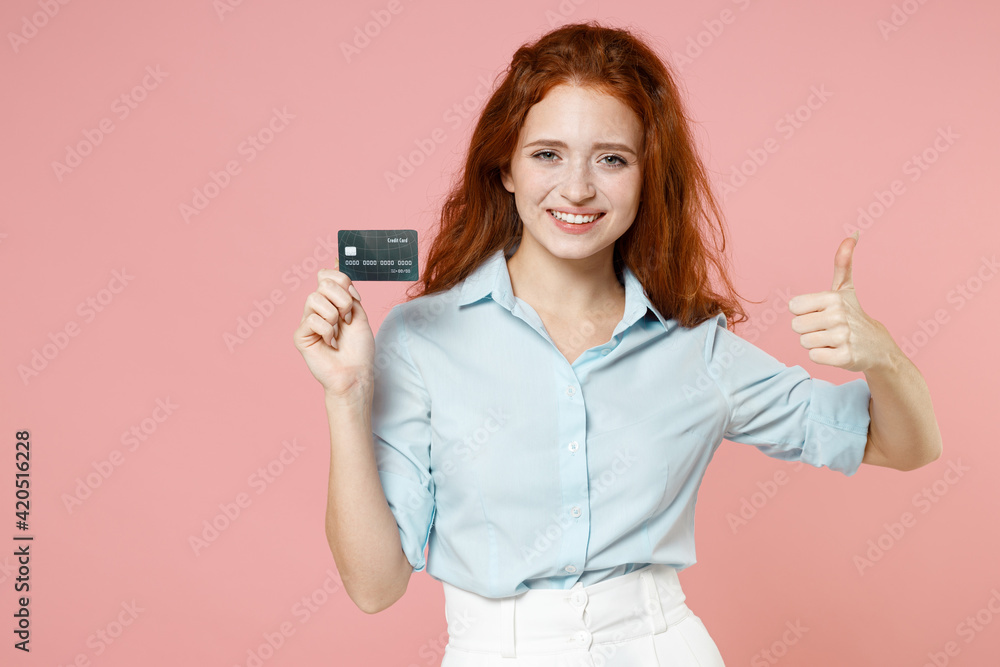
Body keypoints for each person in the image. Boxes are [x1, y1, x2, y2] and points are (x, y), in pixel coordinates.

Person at [293, 21, 942, 667]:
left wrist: (882, 355)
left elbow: (904, 443)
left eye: (611, 158)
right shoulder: (423, 339)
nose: (577, 188)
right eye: (548, 153)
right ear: (507, 168)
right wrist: (347, 395)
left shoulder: (696, 347)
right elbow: (374, 586)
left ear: (646, 174)